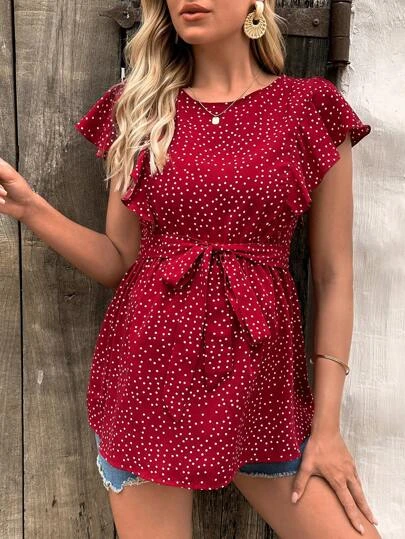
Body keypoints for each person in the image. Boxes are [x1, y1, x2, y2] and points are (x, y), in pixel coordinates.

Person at [0, 0, 381, 537]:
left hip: (262, 393)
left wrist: (328, 430)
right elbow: (119, 261)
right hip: (149, 384)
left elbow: (333, 276)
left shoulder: (310, 108)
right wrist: (30, 208)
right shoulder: (140, 108)